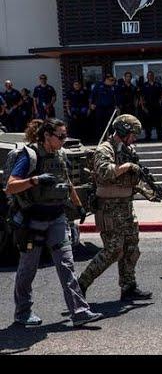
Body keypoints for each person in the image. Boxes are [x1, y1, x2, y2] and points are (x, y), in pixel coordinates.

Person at [5, 118, 102, 326]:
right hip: (33, 221)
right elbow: (11, 186)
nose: (63, 140)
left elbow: (67, 182)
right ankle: (22, 313)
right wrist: (35, 180)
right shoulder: (29, 156)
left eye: (65, 136)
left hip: (57, 218)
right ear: (47, 136)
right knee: (28, 268)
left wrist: (78, 206)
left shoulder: (60, 154)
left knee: (66, 264)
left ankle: (79, 311)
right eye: (60, 136)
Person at [78, 115, 153, 301]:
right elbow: (104, 172)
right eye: (132, 134)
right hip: (109, 207)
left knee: (131, 248)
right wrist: (126, 166)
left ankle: (128, 286)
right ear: (122, 131)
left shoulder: (128, 148)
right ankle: (80, 284)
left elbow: (131, 176)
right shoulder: (105, 149)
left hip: (126, 205)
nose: (134, 139)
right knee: (112, 250)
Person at [90, 74, 118, 142]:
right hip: (100, 108)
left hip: (110, 109)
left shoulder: (113, 87)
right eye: (111, 80)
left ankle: (112, 140)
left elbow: (116, 98)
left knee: (111, 125)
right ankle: (101, 140)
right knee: (100, 125)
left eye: (113, 80)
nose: (112, 82)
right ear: (106, 80)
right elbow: (92, 96)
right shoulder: (98, 86)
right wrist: (91, 104)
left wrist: (117, 106)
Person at [139, 71, 162, 141]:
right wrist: (143, 107)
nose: (150, 77)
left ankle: (160, 137)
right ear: (147, 77)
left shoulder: (158, 85)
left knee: (158, 123)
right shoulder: (144, 85)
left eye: (151, 75)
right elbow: (141, 97)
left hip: (156, 106)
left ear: (153, 76)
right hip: (147, 106)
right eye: (148, 75)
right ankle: (148, 137)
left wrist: (160, 101)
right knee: (148, 123)